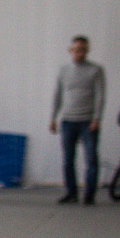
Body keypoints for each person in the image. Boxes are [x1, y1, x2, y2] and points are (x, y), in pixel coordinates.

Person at [49, 36, 106, 205]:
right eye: (77, 50)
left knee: (91, 159)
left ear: (87, 51)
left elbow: (100, 96)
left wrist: (97, 118)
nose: (80, 53)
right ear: (71, 50)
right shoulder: (64, 70)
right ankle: (71, 192)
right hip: (68, 120)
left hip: (88, 121)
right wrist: (53, 118)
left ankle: (89, 194)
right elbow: (57, 95)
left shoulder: (95, 70)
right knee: (68, 159)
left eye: (83, 50)